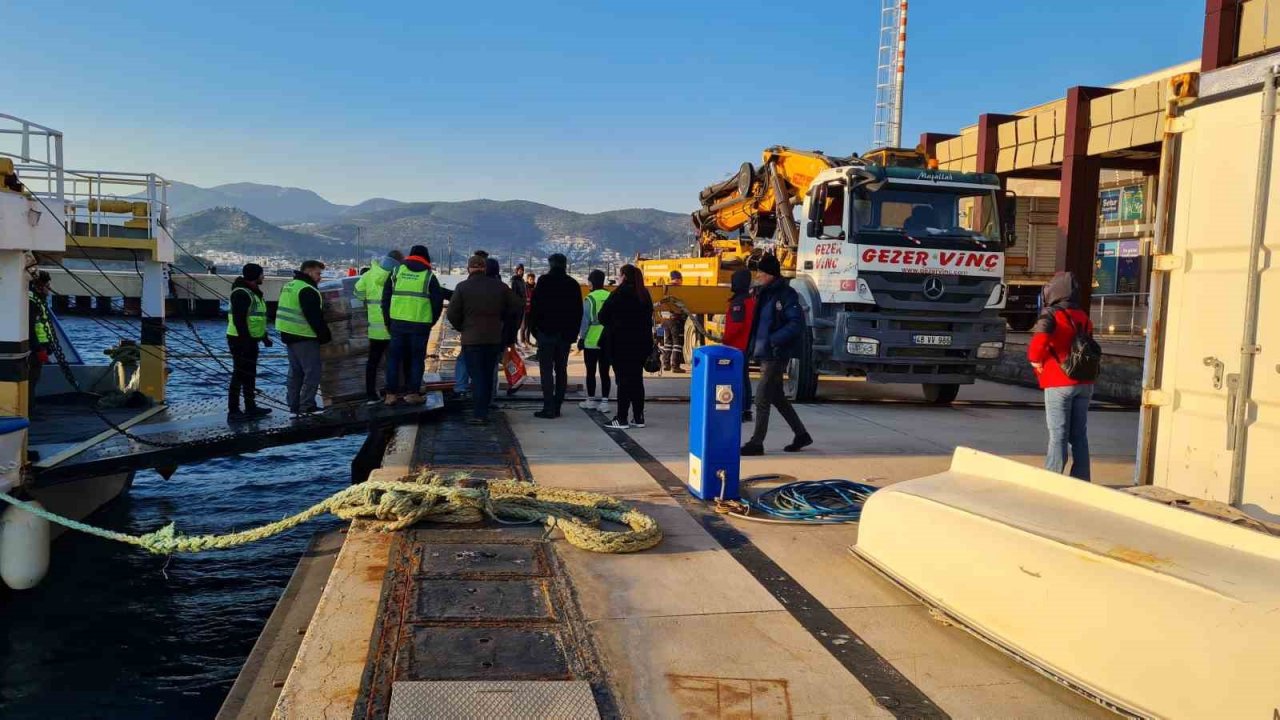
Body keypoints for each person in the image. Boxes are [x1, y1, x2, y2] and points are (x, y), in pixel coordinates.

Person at [740, 254, 812, 455]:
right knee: (777, 397)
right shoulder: (763, 293)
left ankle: (756, 442)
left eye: (762, 272)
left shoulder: (786, 295)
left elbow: (795, 324)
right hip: (765, 351)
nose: (758, 275)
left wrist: (773, 340)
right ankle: (801, 435)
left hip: (776, 353)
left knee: (762, 398)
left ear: (771, 274)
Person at [1027, 271, 1094, 481]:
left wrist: (1036, 362)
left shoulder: (1051, 314)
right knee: (1079, 435)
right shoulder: (1083, 316)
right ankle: (1082, 478)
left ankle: (1053, 477)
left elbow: (1037, 346)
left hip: (1059, 381)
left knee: (1058, 434)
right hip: (1084, 382)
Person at [447, 255, 523, 425]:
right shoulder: (499, 287)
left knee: (477, 376)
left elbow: (451, 313)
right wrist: (502, 318)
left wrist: (463, 327)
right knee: (488, 375)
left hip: (471, 340)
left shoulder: (462, 287)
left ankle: (479, 414)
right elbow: (518, 305)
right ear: (485, 268)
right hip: (493, 339)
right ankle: (485, 408)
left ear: (469, 269)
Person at [382, 244, 445, 406]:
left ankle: (390, 395)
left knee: (394, 359)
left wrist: (389, 322)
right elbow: (437, 303)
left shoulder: (396, 272)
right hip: (420, 326)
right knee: (417, 359)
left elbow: (385, 299)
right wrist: (430, 322)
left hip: (397, 324)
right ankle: (412, 393)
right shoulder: (429, 276)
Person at [527, 253, 581, 419]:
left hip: (546, 333)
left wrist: (534, 330)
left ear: (551, 264)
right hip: (565, 335)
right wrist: (573, 334)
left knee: (546, 371)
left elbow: (534, 308)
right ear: (565, 265)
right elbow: (578, 311)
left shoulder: (543, 282)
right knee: (561, 370)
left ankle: (548, 406)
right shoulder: (573, 284)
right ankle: (557, 405)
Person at [599, 264, 653, 429]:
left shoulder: (619, 294)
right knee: (637, 380)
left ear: (624, 276)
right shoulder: (644, 294)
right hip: (641, 344)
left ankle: (621, 418)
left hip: (621, 344)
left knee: (623, 381)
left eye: (620, 275)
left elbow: (603, 316)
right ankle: (638, 417)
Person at [276, 259, 331, 415]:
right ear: (308, 271)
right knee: (312, 371)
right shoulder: (307, 289)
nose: (320, 277)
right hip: (304, 335)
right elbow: (314, 317)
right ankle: (307, 405)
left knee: (295, 372)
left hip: (288, 335)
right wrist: (325, 336)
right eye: (318, 273)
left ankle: (294, 405)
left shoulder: (289, 286)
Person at [226, 263, 274, 423]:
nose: (263, 277)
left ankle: (250, 406)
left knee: (250, 374)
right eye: (262, 274)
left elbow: (256, 320)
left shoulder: (254, 293)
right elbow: (240, 321)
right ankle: (233, 410)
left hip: (251, 339)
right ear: (256, 275)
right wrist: (245, 341)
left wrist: (264, 337)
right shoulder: (241, 293)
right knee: (239, 374)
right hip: (239, 340)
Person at [354, 249, 403, 402]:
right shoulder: (397, 276)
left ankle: (371, 395)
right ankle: (392, 393)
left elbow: (358, 293)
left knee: (373, 363)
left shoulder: (368, 275)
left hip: (375, 329)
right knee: (394, 362)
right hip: (393, 327)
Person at [722, 268, 756, 422]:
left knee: (737, 379)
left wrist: (725, 339)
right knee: (744, 378)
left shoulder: (739, 302)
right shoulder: (750, 301)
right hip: (745, 346)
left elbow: (736, 326)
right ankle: (746, 409)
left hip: (736, 346)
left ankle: (740, 409)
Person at [578, 269, 612, 411]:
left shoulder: (589, 299)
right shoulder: (611, 296)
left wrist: (582, 338)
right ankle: (605, 402)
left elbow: (585, 321)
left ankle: (590, 400)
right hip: (608, 340)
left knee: (590, 372)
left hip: (592, 341)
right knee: (605, 372)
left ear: (591, 283)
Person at [27, 271, 52, 409]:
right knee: (31, 379)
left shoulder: (37, 300)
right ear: (39, 286)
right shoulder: (32, 301)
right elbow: (30, 328)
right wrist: (38, 349)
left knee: (34, 379)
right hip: (34, 350)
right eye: (47, 285)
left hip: (39, 347)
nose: (49, 288)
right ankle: (29, 409)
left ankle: (30, 406)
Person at [659, 269, 687, 373]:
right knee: (677, 343)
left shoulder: (665, 288)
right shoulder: (677, 289)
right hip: (675, 320)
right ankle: (675, 366)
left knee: (668, 342)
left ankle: (666, 364)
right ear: (678, 279)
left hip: (665, 320)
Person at [520, 272, 536, 347]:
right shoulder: (524, 287)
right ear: (527, 279)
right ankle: (522, 340)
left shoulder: (535, 287)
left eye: (533, 279)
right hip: (525, 309)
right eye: (530, 279)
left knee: (529, 326)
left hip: (532, 310)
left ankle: (527, 340)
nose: (532, 281)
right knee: (524, 326)